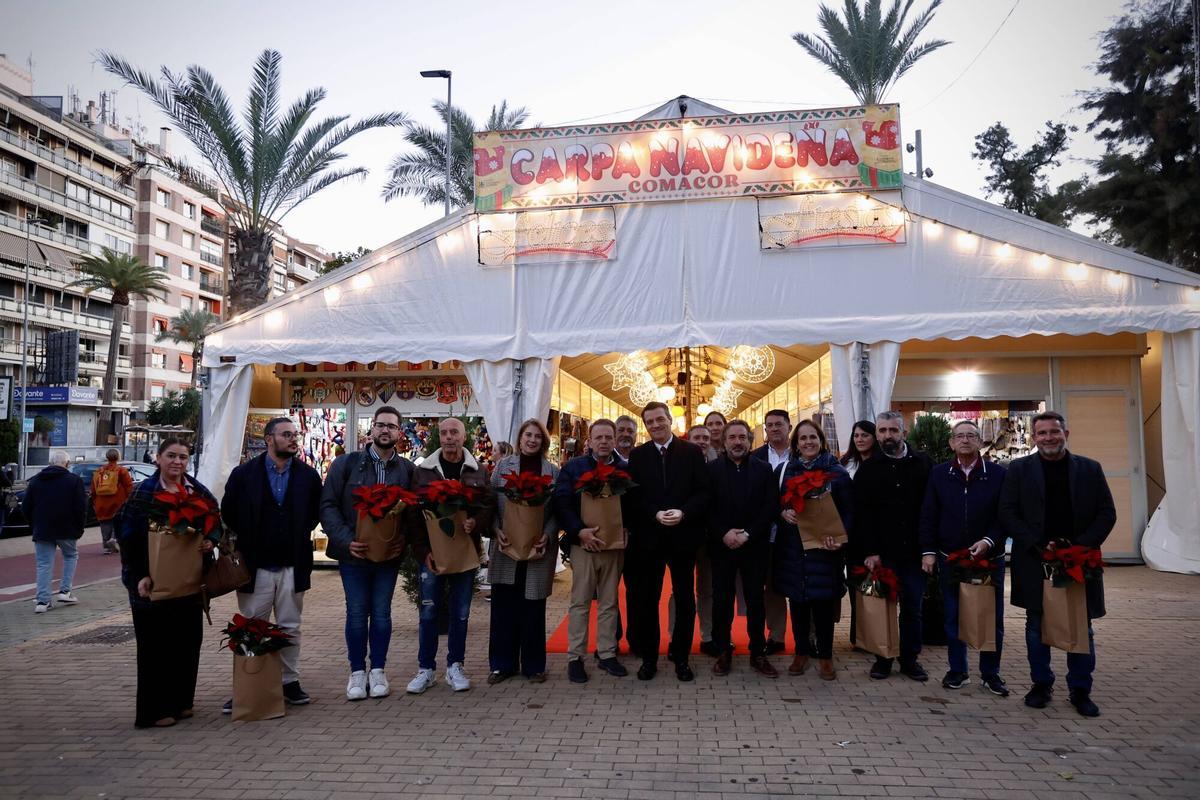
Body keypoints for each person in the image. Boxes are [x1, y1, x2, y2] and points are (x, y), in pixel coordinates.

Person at [998, 411, 1115, 717]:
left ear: (1066, 433)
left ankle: (1080, 689)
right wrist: (1038, 543)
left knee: (1081, 626)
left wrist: (1080, 546)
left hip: (1079, 559)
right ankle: (1041, 684)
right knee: (1036, 626)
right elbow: (1008, 512)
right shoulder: (1019, 469)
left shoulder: (1090, 469)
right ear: (1034, 438)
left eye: (1054, 432)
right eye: (1042, 433)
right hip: (1036, 559)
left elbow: (1107, 513)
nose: (1049, 438)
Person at [221, 417, 323, 711]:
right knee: (252, 626)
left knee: (291, 626)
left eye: (296, 434)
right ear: (269, 439)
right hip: (255, 565)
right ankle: (249, 684)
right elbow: (229, 511)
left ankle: (289, 682)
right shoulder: (243, 475)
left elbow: (313, 513)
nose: (294, 439)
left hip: (293, 563)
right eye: (287, 434)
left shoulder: (307, 475)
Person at [117, 438, 219, 728]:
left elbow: (215, 522)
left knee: (187, 643)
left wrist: (210, 540)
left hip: (188, 582)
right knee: (154, 647)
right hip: (150, 583)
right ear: (158, 458)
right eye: (171, 456)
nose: (177, 462)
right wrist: (139, 576)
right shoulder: (143, 493)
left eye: (183, 457)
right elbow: (128, 537)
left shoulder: (196, 491)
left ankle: (182, 702)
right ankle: (154, 711)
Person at [320, 405, 415, 701]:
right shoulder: (346, 465)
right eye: (380, 425)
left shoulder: (407, 470)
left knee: (383, 614)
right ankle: (357, 672)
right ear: (371, 429)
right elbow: (328, 506)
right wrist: (347, 540)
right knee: (357, 614)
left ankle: (379, 671)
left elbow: (414, 514)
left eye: (391, 426)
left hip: (388, 557)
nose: (385, 430)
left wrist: (404, 539)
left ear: (399, 432)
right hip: (354, 555)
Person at [919, 420, 1010, 697]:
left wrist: (988, 541)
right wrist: (928, 551)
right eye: (960, 436)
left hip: (988, 558)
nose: (966, 440)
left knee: (991, 618)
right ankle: (957, 670)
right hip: (951, 558)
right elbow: (929, 514)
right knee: (953, 616)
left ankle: (990, 673)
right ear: (951, 443)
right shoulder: (938, 474)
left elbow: (1004, 515)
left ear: (981, 441)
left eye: (971, 435)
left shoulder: (997, 474)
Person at [406, 417, 494, 694]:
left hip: (464, 553)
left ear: (463, 436)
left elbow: (489, 505)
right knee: (429, 612)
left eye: (453, 432)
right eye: (443, 433)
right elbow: (413, 514)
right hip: (432, 555)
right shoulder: (424, 471)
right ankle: (426, 669)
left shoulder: (477, 470)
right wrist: (422, 552)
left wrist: (475, 523)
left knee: (461, 613)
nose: (448, 437)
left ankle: (455, 665)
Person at [625, 401, 710, 681]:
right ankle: (649, 658)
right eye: (650, 422)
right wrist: (655, 513)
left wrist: (684, 512)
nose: (656, 425)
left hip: (683, 539)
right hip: (649, 540)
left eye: (660, 419)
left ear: (669, 420)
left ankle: (681, 657)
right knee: (648, 600)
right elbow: (634, 496)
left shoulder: (692, 452)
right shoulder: (638, 456)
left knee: (685, 599)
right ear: (646, 426)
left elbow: (703, 491)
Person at [852, 411, 935, 681]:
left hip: (914, 552)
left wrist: (929, 549)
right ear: (877, 435)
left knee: (912, 607)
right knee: (883, 607)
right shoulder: (869, 468)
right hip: (882, 552)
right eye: (883, 431)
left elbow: (932, 508)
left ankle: (909, 659)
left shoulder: (924, 463)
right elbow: (861, 514)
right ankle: (883, 659)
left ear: (904, 433)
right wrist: (870, 551)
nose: (888, 436)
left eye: (893, 430)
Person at [774, 420, 851, 680]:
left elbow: (850, 513)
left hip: (825, 551)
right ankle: (801, 652)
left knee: (823, 606)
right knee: (798, 605)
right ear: (796, 444)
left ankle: (825, 657)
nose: (808, 442)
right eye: (803, 439)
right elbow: (774, 504)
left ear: (821, 441)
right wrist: (782, 512)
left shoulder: (837, 474)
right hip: (795, 550)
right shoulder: (787, 472)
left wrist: (841, 539)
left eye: (812, 438)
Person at [556, 419, 630, 683]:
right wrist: (578, 531)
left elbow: (631, 505)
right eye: (598, 437)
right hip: (583, 546)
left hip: (613, 548)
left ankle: (607, 652)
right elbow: (562, 503)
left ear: (614, 440)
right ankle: (575, 657)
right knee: (581, 602)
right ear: (589, 440)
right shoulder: (574, 468)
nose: (603, 442)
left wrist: (627, 530)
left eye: (608, 437)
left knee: (610, 602)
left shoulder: (623, 469)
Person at [487, 419, 559, 684]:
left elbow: (556, 512)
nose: (532, 440)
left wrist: (547, 536)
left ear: (544, 442)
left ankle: (534, 666)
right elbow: (491, 503)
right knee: (504, 609)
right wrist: (496, 529)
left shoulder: (552, 471)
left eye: (537, 437)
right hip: (506, 548)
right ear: (519, 439)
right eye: (528, 435)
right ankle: (501, 664)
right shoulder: (503, 467)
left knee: (533, 610)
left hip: (537, 551)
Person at [707, 421, 778, 676]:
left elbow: (769, 507)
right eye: (732, 437)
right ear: (724, 442)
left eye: (742, 437)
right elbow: (707, 507)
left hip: (754, 545)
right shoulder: (712, 470)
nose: (737, 442)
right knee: (722, 600)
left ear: (750, 440)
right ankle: (723, 651)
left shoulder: (764, 469)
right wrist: (723, 533)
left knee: (755, 600)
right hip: (722, 545)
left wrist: (747, 534)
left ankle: (757, 653)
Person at [750, 409, 792, 655]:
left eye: (779, 424)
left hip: (794, 532)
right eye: (770, 425)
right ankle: (775, 636)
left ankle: (808, 636)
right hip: (764, 533)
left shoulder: (800, 455)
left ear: (789, 426)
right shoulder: (755, 457)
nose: (774, 428)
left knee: (796, 583)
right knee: (770, 586)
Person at [23, 451, 86, 613]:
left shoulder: (36, 481)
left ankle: (42, 601)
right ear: (67, 463)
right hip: (67, 528)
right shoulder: (74, 481)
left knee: (44, 564)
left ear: (50, 463)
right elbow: (80, 508)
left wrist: (34, 525)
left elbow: (26, 507)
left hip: (43, 529)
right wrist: (79, 528)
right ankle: (65, 591)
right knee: (71, 556)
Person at [92, 449, 133, 555]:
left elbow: (93, 488)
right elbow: (128, 486)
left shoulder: (99, 471)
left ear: (107, 457)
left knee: (105, 524)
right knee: (118, 522)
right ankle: (114, 539)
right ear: (118, 457)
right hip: (118, 501)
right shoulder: (121, 471)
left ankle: (106, 546)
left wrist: (94, 500)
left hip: (101, 503)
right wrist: (130, 499)